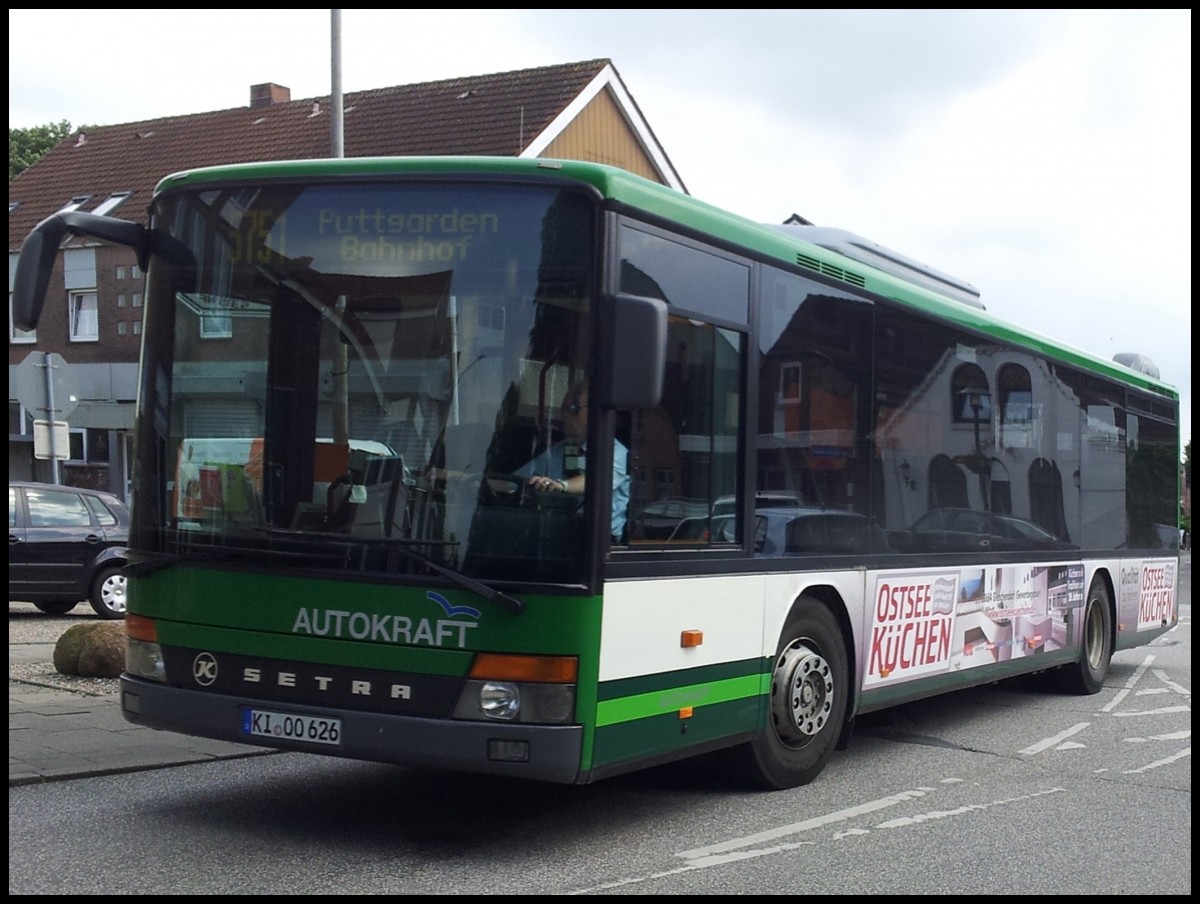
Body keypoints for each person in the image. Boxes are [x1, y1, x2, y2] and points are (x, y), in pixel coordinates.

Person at [515, 381, 630, 542]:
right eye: (564, 409)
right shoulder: (560, 450)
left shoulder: (616, 452)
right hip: (557, 531)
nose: (565, 415)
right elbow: (519, 479)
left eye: (574, 409)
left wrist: (560, 486)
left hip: (598, 543)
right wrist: (482, 482)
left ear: (594, 412)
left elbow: (596, 481)